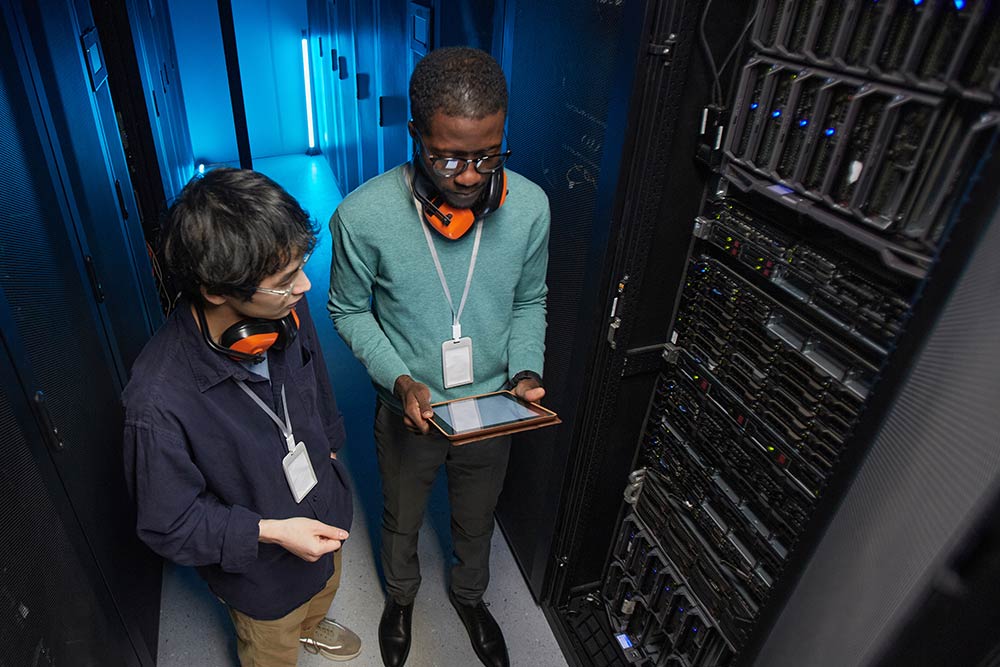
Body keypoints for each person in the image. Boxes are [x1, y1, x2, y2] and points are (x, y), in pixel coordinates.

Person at [328, 47, 550, 667]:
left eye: (488, 155)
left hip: (492, 406)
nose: (471, 176)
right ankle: (400, 599)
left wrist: (526, 370)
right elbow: (348, 310)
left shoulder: (530, 206)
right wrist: (400, 381)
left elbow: (531, 299)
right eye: (448, 156)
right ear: (414, 137)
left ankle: (470, 598)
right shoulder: (362, 215)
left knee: (476, 519)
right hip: (410, 408)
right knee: (401, 518)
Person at [122, 168, 360, 666]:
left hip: (327, 512)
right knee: (272, 646)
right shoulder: (157, 400)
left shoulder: (286, 310)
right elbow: (168, 524)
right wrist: (271, 532)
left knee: (321, 595)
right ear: (215, 289)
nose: (305, 286)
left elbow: (317, 383)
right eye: (284, 280)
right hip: (263, 579)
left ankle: (311, 627)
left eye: (301, 267)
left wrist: (331, 451)